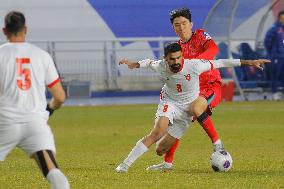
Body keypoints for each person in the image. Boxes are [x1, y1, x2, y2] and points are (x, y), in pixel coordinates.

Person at [115, 42, 269, 173]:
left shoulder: (194, 65)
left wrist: (250, 62)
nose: (176, 62)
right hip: (169, 103)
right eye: (171, 59)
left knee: (159, 150)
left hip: (186, 111)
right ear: (165, 59)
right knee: (157, 132)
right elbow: (148, 62)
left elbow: (221, 62)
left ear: (182, 56)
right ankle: (125, 165)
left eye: (178, 58)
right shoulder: (161, 66)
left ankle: (167, 163)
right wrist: (134, 64)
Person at [0, 11, 70, 189]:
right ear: (25, 29)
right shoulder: (41, 55)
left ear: (4, 31)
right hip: (35, 123)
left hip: (5, 122)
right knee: (52, 170)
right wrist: (49, 110)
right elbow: (60, 97)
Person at [147, 7, 222, 171]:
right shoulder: (176, 49)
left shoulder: (200, 35)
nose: (181, 27)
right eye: (177, 25)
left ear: (191, 24)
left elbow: (213, 49)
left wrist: (196, 62)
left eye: (184, 23)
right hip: (190, 92)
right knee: (162, 146)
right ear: (173, 28)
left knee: (195, 107)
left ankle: (218, 145)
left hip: (210, 86)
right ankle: (168, 163)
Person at [264, 10, 284, 101]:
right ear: (279, 18)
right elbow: (267, 42)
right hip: (276, 57)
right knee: (275, 75)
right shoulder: (274, 29)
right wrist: (273, 53)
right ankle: (275, 93)